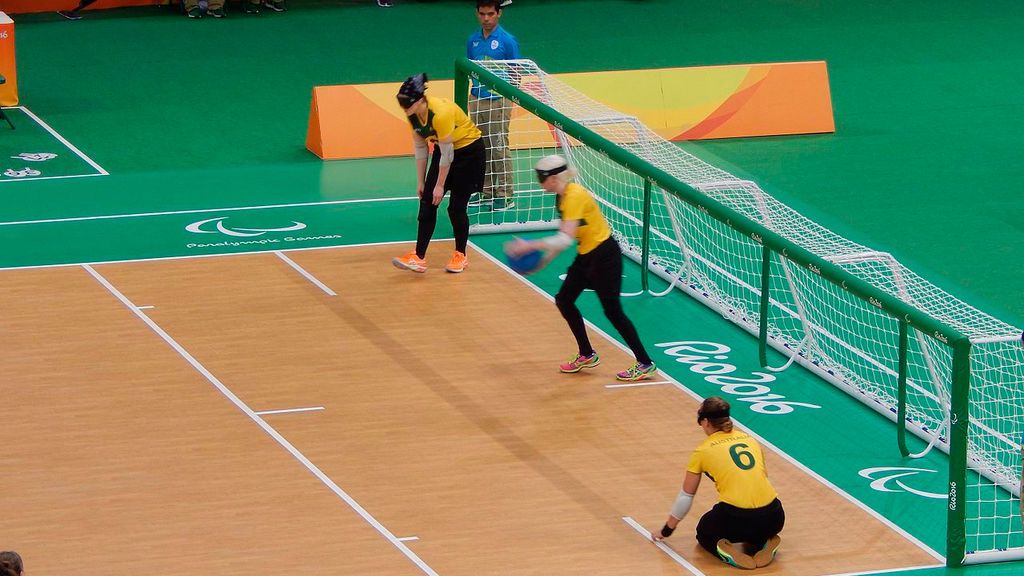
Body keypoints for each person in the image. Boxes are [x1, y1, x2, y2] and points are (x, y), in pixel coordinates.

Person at [505, 155, 656, 381]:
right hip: (587, 255)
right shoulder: (562, 197)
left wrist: (530, 246)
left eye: (540, 178)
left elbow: (564, 239)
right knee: (564, 299)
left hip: (604, 256)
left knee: (612, 311)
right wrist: (540, 263)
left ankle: (645, 362)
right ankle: (587, 354)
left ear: (553, 178)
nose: (538, 182)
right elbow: (565, 236)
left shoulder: (574, 195)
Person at [652, 397, 785, 570]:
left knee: (704, 531)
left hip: (738, 520)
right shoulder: (750, 440)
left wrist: (666, 530)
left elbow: (686, 496)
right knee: (756, 524)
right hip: (775, 516)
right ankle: (765, 540)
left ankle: (727, 552)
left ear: (706, 421)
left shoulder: (702, 451)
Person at [392, 73, 485, 274]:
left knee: (456, 207)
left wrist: (440, 185)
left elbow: (448, 153)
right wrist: (421, 181)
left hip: (468, 153)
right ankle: (418, 257)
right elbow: (420, 147)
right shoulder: (412, 114)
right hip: (444, 152)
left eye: (407, 103)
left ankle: (460, 255)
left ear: (419, 99)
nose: (404, 108)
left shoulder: (441, 113)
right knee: (427, 201)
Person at [466, 0, 521, 212]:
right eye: (482, 14)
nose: (486, 18)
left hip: (499, 100)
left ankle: (506, 194)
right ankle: (485, 191)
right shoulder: (473, 40)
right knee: (480, 148)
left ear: (499, 14)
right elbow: (471, 66)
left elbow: (516, 72)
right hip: (477, 99)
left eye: (490, 14)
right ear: (477, 14)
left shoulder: (507, 41)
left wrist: (508, 98)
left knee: (498, 146)